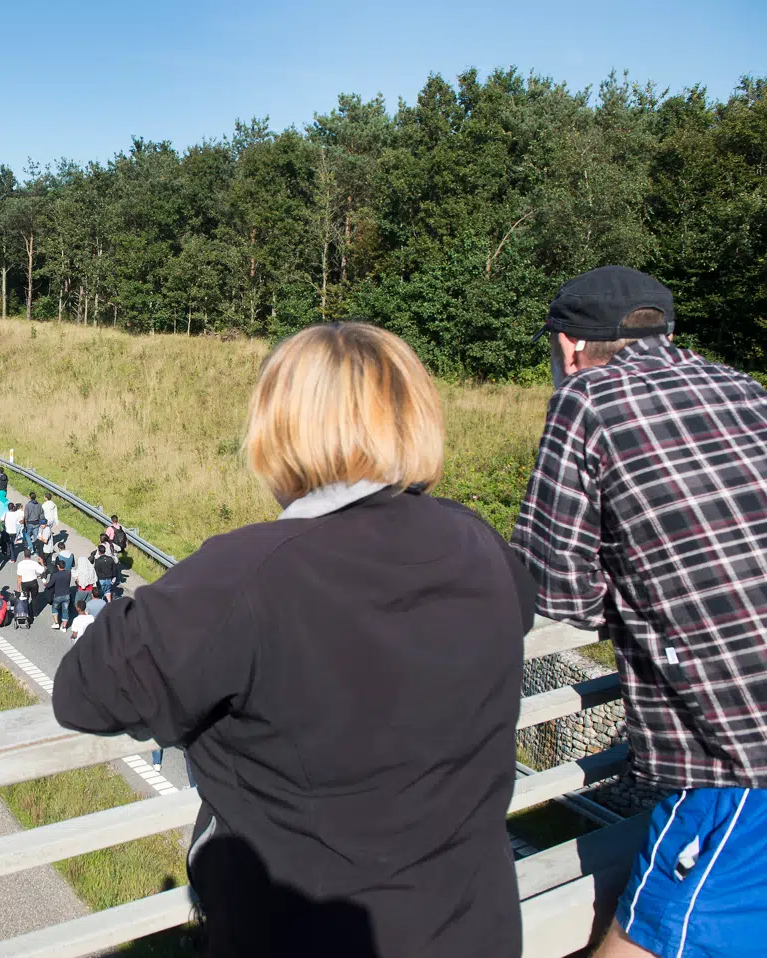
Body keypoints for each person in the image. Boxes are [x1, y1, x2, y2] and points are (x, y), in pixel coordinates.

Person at [52, 321, 536, 958]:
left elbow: (84, 692)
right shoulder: (477, 542)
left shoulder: (248, 574)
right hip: (476, 928)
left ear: (279, 431)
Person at [509, 267, 767, 958]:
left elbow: (555, 588)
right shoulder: (745, 389)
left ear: (568, 349)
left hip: (741, 758)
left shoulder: (587, 400)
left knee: (646, 940)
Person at [15, 551, 45, 626]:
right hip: (33, 583)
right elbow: (42, 571)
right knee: (35, 598)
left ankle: (26, 612)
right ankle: (35, 613)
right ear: (30, 555)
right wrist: (42, 562)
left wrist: (18, 588)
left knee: (26, 598)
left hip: (24, 584)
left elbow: (19, 577)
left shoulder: (20, 564)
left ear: (24, 555)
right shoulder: (34, 563)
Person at [47, 557, 73, 631]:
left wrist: (45, 583)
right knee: (65, 610)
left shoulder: (56, 575)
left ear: (58, 566)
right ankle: (64, 627)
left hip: (58, 595)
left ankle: (56, 623)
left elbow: (49, 585)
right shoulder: (68, 573)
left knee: (54, 608)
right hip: (67, 595)